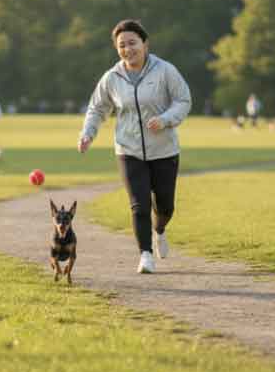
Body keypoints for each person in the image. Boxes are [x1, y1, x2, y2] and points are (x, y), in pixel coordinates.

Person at [79, 19, 192, 274]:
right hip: (128, 150)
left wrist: (165, 120)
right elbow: (97, 108)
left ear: (145, 43)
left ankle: (159, 230)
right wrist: (87, 134)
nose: (127, 49)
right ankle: (145, 255)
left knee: (165, 207)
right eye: (122, 45)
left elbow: (183, 100)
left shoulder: (164, 71)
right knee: (139, 204)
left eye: (132, 43)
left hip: (164, 150)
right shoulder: (112, 77)